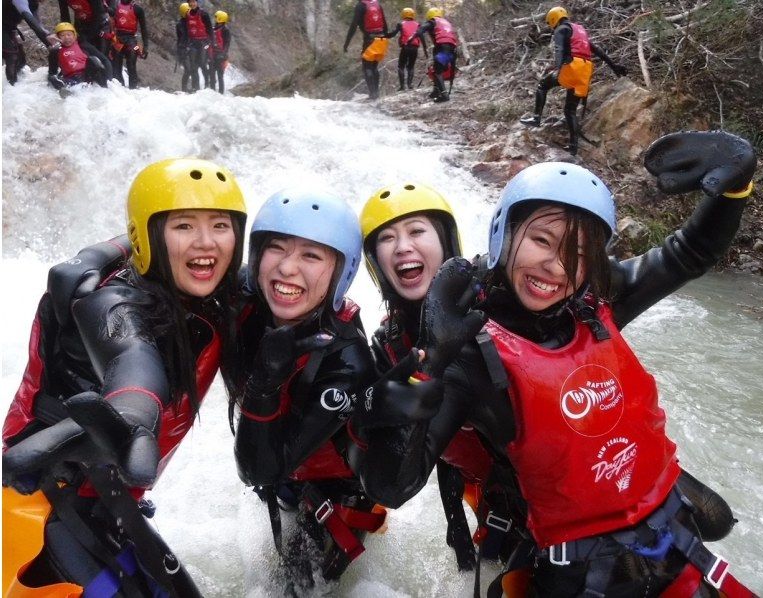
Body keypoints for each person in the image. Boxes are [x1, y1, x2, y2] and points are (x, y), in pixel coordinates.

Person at [357, 131, 759, 596]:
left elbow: (687, 253)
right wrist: (429, 365)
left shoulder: (596, 298)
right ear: (503, 234)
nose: (557, 266)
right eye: (541, 240)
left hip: (666, 534)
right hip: (573, 563)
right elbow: (392, 487)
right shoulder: (467, 353)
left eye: (580, 253)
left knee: (718, 518)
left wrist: (734, 190)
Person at [2, 158, 247, 596]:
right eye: (184, 226)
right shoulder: (112, 302)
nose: (206, 242)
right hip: (40, 507)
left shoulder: (205, 292)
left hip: (103, 508)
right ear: (147, 238)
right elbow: (132, 359)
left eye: (220, 226)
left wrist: (100, 250)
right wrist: (132, 416)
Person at [352, 183, 527, 573]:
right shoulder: (390, 343)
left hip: (555, 495)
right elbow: (441, 441)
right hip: (492, 497)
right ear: (376, 264)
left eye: (416, 231)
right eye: (387, 238)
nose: (402, 247)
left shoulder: (502, 301)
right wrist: (456, 526)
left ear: (446, 242)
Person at [231, 187, 380, 592]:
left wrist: (265, 382)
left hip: (333, 491)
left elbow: (257, 471)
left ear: (339, 273)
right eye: (276, 248)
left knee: (291, 589)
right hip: (283, 468)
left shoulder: (348, 363)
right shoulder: (248, 299)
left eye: (311, 256)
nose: (287, 268)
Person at [519, 6, 627, 155]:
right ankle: (573, 146)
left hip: (572, 67)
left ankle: (536, 118)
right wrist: (614, 67)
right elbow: (597, 50)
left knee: (543, 85)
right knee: (570, 110)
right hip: (585, 70)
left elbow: (559, 49)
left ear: (553, 19)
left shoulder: (561, 29)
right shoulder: (579, 31)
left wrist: (559, 67)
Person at [408, 7, 458, 103]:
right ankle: (436, 91)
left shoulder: (432, 22)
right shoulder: (446, 22)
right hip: (453, 49)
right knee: (438, 67)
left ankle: (444, 95)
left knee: (437, 71)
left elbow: (420, 30)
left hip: (442, 48)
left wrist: (412, 38)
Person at [2, 0, 58, 84]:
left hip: (8, 29)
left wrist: (50, 44)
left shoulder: (33, 4)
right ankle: (11, 87)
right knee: (12, 56)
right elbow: (29, 19)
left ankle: (17, 84)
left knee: (20, 60)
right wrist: (46, 36)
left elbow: (37, 24)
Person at [47, 21, 112, 90]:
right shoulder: (56, 51)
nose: (66, 38)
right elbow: (52, 73)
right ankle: (66, 90)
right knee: (53, 79)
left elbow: (105, 60)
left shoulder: (83, 45)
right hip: (70, 79)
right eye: (62, 35)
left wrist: (109, 80)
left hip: (88, 76)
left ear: (74, 35)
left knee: (93, 60)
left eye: (69, 35)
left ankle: (103, 86)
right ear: (57, 37)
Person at [343, 0, 388, 100]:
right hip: (380, 39)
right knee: (374, 67)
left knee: (367, 67)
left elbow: (353, 26)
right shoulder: (377, 4)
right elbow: (384, 24)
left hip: (369, 40)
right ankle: (376, 93)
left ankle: (373, 94)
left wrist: (346, 43)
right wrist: (385, 38)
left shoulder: (360, 5)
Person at [385, 7, 428, 91]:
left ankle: (402, 86)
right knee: (411, 66)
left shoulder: (401, 24)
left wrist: (384, 36)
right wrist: (425, 49)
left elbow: (393, 34)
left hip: (405, 47)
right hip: (415, 48)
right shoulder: (417, 25)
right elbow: (422, 38)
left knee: (401, 66)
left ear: (403, 15)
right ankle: (410, 85)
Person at [110, 0, 148, 89]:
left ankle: (133, 89)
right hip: (117, 39)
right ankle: (119, 89)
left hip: (132, 41)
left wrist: (145, 46)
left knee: (131, 65)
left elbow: (143, 28)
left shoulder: (138, 9)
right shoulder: (115, 6)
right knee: (116, 66)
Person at [184, 0, 215, 91]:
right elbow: (187, 30)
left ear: (196, 2)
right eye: (190, 2)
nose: (192, 4)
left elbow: (210, 29)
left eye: (193, 2)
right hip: (193, 42)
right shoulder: (187, 14)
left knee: (202, 63)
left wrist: (211, 42)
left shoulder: (204, 14)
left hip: (203, 42)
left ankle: (207, 84)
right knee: (193, 66)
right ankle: (195, 87)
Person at [209, 10, 230, 94]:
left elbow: (227, 43)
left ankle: (221, 93)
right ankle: (212, 92)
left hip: (221, 56)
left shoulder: (225, 30)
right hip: (213, 55)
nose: (215, 19)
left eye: (216, 17)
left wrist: (223, 54)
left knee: (220, 76)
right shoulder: (214, 28)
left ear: (220, 18)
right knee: (212, 75)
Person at [175, 1, 190, 91]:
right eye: (188, 11)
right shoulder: (180, 24)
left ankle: (188, 88)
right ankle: (184, 89)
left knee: (191, 69)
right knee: (188, 69)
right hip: (183, 49)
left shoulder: (190, 22)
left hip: (189, 48)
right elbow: (181, 37)